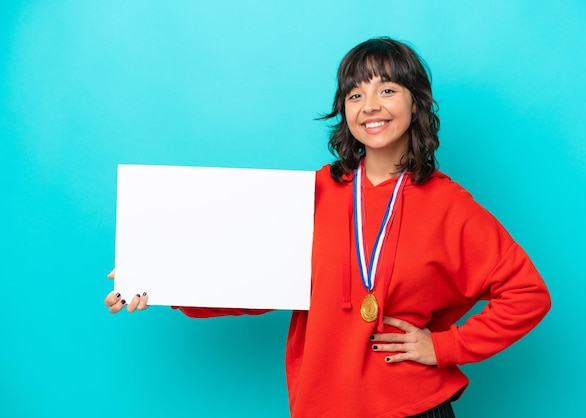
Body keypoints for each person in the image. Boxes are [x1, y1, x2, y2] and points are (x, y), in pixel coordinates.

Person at [104, 37, 551, 417]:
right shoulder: (311, 192)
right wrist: (160, 280)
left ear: (417, 101)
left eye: (387, 90)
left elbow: (528, 294)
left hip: (412, 407)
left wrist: (445, 347)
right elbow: (251, 283)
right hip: (321, 404)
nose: (370, 106)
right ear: (344, 111)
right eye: (355, 95)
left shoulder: (450, 205)